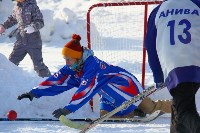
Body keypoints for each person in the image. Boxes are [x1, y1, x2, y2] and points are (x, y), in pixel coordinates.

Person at [17, 34, 171, 119]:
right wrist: (34, 92)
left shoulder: (92, 67)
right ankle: (134, 112)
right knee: (106, 116)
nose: (66, 62)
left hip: (125, 86)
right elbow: (58, 80)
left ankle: (181, 107)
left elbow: (86, 88)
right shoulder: (74, 66)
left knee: (151, 107)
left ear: (77, 57)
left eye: (68, 59)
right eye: (66, 60)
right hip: (108, 94)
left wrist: (68, 109)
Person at [145, 0, 200, 132]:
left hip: (175, 67)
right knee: (179, 109)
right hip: (195, 61)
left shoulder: (158, 10)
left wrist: (158, 76)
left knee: (184, 111)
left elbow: (151, 47)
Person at [0, 0, 51, 77]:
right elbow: (13, 19)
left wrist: (33, 27)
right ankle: (10, 80)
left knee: (38, 65)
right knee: (11, 62)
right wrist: (4, 26)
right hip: (20, 40)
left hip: (33, 40)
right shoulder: (17, 6)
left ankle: (48, 80)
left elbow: (40, 21)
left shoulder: (32, 6)